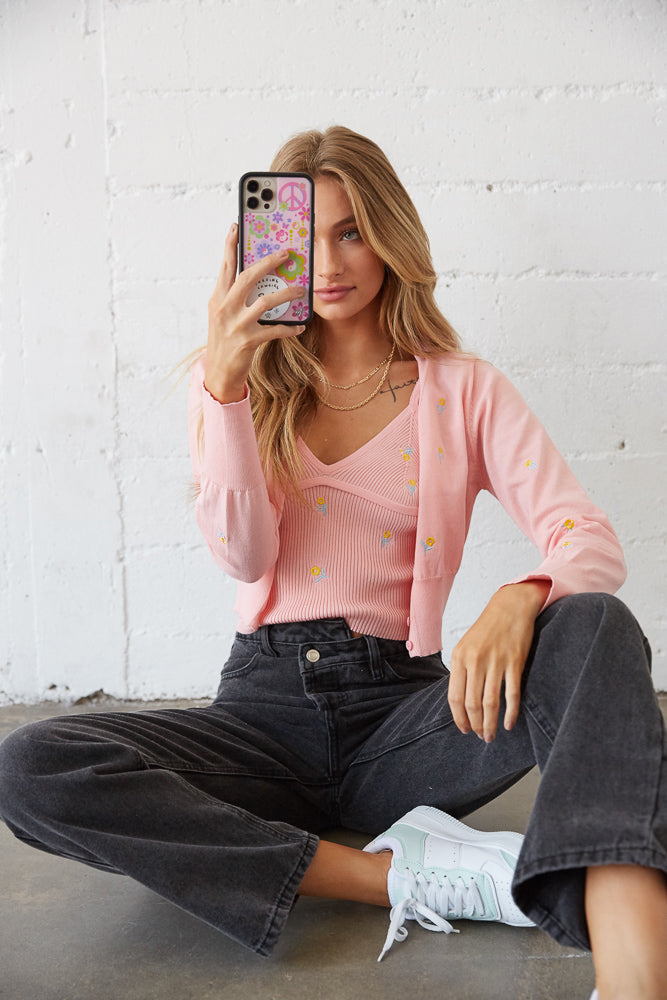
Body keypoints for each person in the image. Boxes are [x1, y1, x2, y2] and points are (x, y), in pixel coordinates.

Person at [0, 126, 665, 999]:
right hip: (260, 721)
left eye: (351, 230)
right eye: (302, 236)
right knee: (31, 765)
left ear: (390, 235)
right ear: (261, 249)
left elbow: (588, 538)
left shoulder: (462, 388)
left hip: (409, 725)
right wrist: (230, 388)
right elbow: (244, 557)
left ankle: (631, 983)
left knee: (595, 625)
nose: (327, 259)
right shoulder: (234, 385)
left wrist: (524, 591)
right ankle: (405, 877)